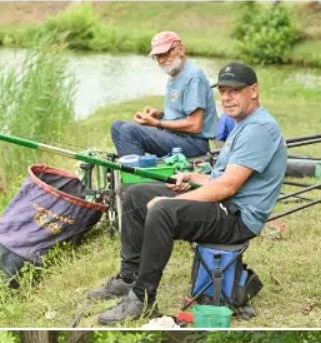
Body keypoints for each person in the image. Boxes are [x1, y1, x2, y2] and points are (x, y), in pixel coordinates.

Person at [92, 62, 287, 325]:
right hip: (225, 204)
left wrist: (171, 200)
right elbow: (225, 178)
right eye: (224, 91)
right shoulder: (243, 122)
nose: (227, 98)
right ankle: (128, 278)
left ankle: (142, 299)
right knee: (137, 195)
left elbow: (228, 187)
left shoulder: (259, 129)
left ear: (253, 91)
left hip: (237, 218)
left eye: (235, 91)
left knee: (162, 210)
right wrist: (193, 177)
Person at [109, 32, 216, 159]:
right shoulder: (175, 75)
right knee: (117, 126)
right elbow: (181, 114)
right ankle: (134, 173)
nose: (161, 60)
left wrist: (157, 123)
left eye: (165, 54)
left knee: (129, 131)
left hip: (193, 143)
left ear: (181, 49)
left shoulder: (193, 76)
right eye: (157, 56)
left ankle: (141, 179)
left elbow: (194, 125)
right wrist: (160, 114)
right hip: (177, 136)